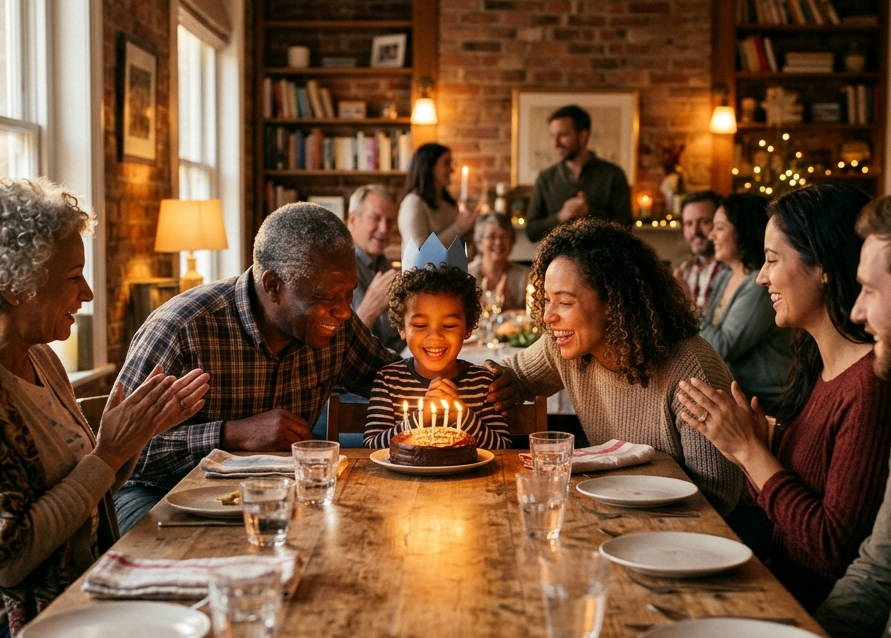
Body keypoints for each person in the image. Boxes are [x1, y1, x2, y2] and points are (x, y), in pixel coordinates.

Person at [0, 177, 210, 635]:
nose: (89, 293)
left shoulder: (42, 359)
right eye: (73, 277)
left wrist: (135, 436)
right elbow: (10, 563)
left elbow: (90, 491)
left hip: (91, 591)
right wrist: (109, 452)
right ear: (13, 287)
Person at [112, 203, 400, 534]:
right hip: (156, 494)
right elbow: (122, 452)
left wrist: (454, 373)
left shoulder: (336, 329)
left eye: (350, 294)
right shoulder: (182, 330)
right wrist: (232, 434)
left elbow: (392, 379)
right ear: (273, 286)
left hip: (273, 497)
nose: (346, 312)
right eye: (328, 297)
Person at [677, 183, 891, 613]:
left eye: (773, 260)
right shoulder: (818, 365)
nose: (761, 277)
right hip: (777, 582)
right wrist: (752, 453)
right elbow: (788, 516)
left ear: (824, 266)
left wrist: (752, 453)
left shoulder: (869, 385)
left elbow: (830, 551)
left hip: (806, 608)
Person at [493, 217, 744, 516]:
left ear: (612, 301)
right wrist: (491, 381)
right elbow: (512, 374)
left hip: (688, 533)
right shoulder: (566, 349)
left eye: (564, 303)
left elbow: (719, 497)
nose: (547, 316)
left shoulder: (689, 369)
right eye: (547, 299)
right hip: (611, 513)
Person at [815, 195, 891, 638]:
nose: (858, 312)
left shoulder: (867, 387)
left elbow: (831, 546)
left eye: (872, 290)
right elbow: (876, 575)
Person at [364, 264, 510, 450]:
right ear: (401, 328)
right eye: (420, 325)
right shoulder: (389, 381)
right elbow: (371, 446)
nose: (435, 337)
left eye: (449, 325)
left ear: (468, 328)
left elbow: (502, 447)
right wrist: (420, 418)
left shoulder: (483, 383)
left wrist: (462, 416)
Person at [700, 193, 791, 413]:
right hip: (736, 397)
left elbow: (720, 348)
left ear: (742, 231)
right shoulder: (725, 275)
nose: (711, 235)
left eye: (720, 228)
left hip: (767, 405)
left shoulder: (758, 286)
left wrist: (685, 305)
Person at [525, 105, 632, 242]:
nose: (555, 143)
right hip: (557, 260)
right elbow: (531, 232)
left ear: (582, 136)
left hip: (601, 261)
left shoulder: (613, 175)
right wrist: (561, 216)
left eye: (562, 135)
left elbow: (626, 227)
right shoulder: (545, 178)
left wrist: (589, 213)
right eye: (552, 136)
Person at [347, 184, 405, 352]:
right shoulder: (337, 267)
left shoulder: (382, 263)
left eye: (389, 221)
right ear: (352, 220)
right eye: (375, 218)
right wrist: (368, 311)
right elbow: (339, 349)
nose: (384, 229)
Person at [398, 143, 477, 257]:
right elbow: (420, 253)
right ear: (429, 167)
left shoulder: (449, 204)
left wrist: (473, 228)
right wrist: (459, 227)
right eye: (446, 163)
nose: (452, 169)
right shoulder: (413, 203)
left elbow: (460, 246)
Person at [673, 190, 727, 314]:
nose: (695, 231)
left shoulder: (732, 272)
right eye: (688, 224)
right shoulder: (684, 269)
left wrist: (686, 302)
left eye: (704, 222)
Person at [467, 213, 530, 311]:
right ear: (479, 243)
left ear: (512, 242)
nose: (498, 242)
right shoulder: (467, 275)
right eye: (491, 236)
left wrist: (508, 306)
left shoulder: (525, 276)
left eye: (504, 236)